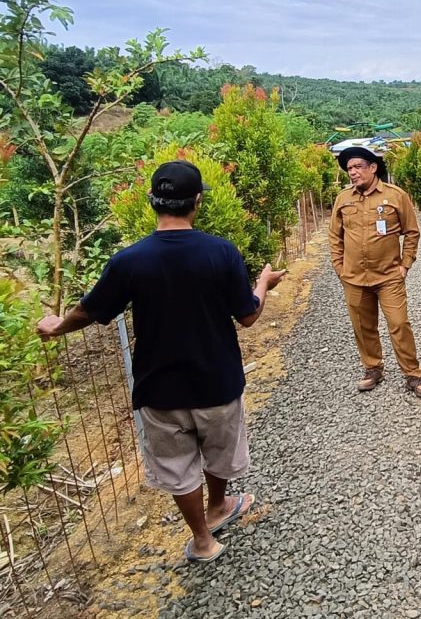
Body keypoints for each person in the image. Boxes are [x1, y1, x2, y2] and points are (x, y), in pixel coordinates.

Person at [37, 159, 285, 563]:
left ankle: (203, 540)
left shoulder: (129, 260)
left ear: (152, 202)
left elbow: (89, 311)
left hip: (158, 387)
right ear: (198, 202)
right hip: (217, 380)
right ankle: (219, 505)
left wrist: (56, 327)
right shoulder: (221, 252)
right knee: (219, 452)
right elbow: (248, 316)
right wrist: (263, 283)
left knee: (175, 466)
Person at [328, 146, 421, 398]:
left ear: (373, 167)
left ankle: (413, 373)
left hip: (388, 277)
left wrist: (405, 264)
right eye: (349, 169)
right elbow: (335, 236)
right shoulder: (343, 198)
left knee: (399, 323)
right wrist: (339, 267)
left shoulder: (395, 196)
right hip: (353, 278)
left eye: (357, 167)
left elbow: (411, 232)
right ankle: (373, 368)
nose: (352, 172)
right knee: (363, 326)